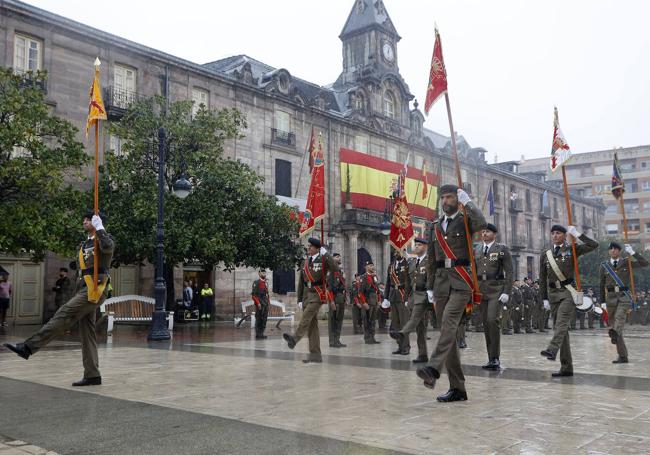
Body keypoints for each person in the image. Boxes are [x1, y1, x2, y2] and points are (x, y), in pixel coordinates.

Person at [3, 211, 114, 386]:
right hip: (83, 288)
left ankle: (29, 347)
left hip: (94, 289)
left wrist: (100, 228)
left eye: (88, 219)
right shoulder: (85, 243)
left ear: (97, 222)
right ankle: (92, 374)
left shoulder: (103, 239)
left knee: (64, 313)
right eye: (84, 218)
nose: (84, 221)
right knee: (87, 332)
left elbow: (108, 248)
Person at [415, 185, 486, 402]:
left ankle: (433, 369)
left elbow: (481, 223)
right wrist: (429, 285)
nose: (446, 201)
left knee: (448, 322)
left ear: (457, 199)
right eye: (443, 197)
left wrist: (469, 202)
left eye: (450, 197)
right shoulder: (435, 225)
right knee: (450, 337)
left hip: (461, 281)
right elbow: (431, 258)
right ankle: (458, 388)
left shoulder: (465, 220)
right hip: (441, 283)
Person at [540, 224, 598, 377]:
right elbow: (542, 278)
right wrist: (544, 298)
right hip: (552, 294)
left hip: (568, 292)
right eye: (552, 233)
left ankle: (552, 349)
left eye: (558, 233)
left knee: (561, 323)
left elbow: (593, 245)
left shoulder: (572, 249)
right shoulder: (545, 253)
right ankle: (566, 368)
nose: (554, 236)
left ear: (565, 235)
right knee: (562, 331)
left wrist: (578, 234)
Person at [283, 237, 338, 363]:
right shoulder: (305, 262)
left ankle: (294, 338)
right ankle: (315, 356)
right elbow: (301, 283)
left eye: (311, 247)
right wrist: (300, 299)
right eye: (308, 246)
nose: (308, 248)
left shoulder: (324, 259)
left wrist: (327, 254)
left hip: (318, 295)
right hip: (307, 295)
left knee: (306, 317)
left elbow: (335, 269)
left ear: (318, 248)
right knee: (312, 326)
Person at [599, 242, 649, 363]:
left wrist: (633, 253)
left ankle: (615, 333)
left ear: (620, 251)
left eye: (615, 249)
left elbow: (645, 263)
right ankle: (623, 356)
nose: (612, 251)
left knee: (619, 317)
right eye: (610, 249)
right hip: (610, 298)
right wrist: (602, 301)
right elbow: (601, 284)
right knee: (616, 328)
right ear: (608, 251)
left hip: (624, 296)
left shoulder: (626, 262)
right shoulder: (604, 265)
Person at [474, 223, 513, 371]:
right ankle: (491, 358)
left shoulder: (501, 250)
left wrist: (506, 292)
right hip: (481, 290)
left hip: (496, 289)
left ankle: (495, 358)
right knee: (486, 323)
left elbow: (509, 272)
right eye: (483, 231)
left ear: (494, 234)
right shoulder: (476, 249)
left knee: (492, 320)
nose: (484, 234)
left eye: (488, 232)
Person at [384, 248, 411, 355]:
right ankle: (400, 346)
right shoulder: (391, 266)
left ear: (403, 252)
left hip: (402, 295)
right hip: (393, 296)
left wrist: (408, 297)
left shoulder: (407, 264)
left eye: (398, 251)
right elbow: (387, 282)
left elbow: (410, 282)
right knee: (396, 324)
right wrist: (385, 297)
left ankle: (406, 347)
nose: (396, 254)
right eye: (395, 252)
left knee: (404, 323)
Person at [327, 253, 347, 348]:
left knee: (339, 320)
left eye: (340, 256)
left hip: (341, 299)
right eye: (337, 257)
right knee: (332, 321)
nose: (339, 258)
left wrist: (345, 298)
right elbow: (328, 288)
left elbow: (343, 286)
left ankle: (337, 340)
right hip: (334, 299)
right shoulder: (331, 271)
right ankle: (332, 341)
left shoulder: (340, 272)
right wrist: (331, 301)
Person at [360, 261, 381, 344]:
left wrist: (379, 300)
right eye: (370, 266)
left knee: (373, 321)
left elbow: (377, 290)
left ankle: (372, 337)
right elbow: (360, 292)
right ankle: (367, 338)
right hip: (368, 302)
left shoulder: (375, 277)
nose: (372, 267)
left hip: (374, 301)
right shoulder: (364, 277)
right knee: (366, 321)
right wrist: (364, 302)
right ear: (366, 267)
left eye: (373, 265)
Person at [251, 270, 270, 339]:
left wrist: (268, 303)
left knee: (264, 319)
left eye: (264, 273)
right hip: (260, 304)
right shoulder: (256, 282)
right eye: (262, 272)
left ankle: (261, 333)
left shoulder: (265, 282)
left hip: (265, 304)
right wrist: (258, 303)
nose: (264, 274)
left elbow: (267, 294)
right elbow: (253, 295)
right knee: (259, 319)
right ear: (259, 273)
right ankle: (258, 334)